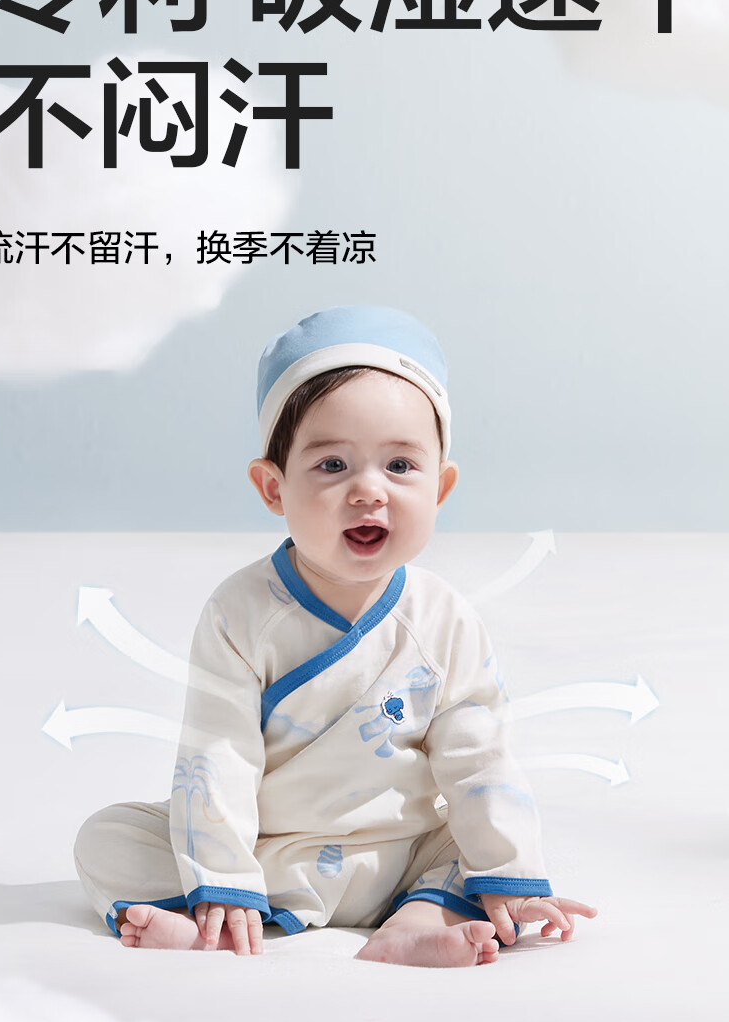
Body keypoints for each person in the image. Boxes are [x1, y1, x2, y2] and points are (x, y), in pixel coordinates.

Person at [74, 305, 596, 968]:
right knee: (108, 837)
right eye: (332, 465)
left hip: (401, 852)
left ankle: (412, 923)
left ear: (441, 487)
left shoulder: (445, 618)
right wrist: (223, 875)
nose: (369, 491)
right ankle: (227, 916)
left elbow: (480, 758)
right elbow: (217, 753)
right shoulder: (240, 612)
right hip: (269, 851)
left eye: (400, 465)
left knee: (479, 846)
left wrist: (511, 874)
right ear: (273, 487)